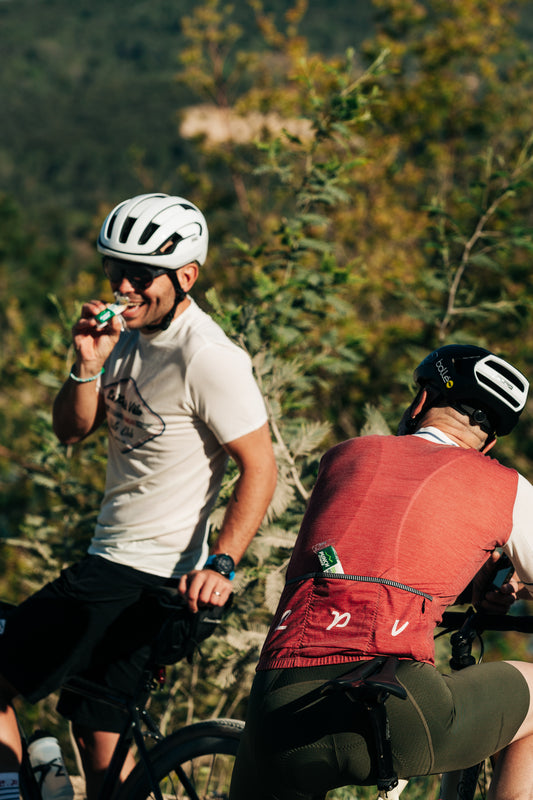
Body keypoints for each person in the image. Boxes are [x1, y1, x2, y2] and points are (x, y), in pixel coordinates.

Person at [0, 193, 277, 800]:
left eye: (140, 274)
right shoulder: (121, 335)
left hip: (137, 572)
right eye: (112, 269)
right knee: (98, 740)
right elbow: (71, 431)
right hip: (126, 568)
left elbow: (261, 468)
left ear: (186, 276)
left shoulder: (207, 356)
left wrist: (223, 562)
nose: (123, 285)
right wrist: (86, 364)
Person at [229, 344, 533, 800]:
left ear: (420, 402)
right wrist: (515, 585)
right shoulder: (505, 486)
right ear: (488, 443)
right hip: (391, 705)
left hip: (277, 703)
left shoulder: (344, 456)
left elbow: (372, 546)